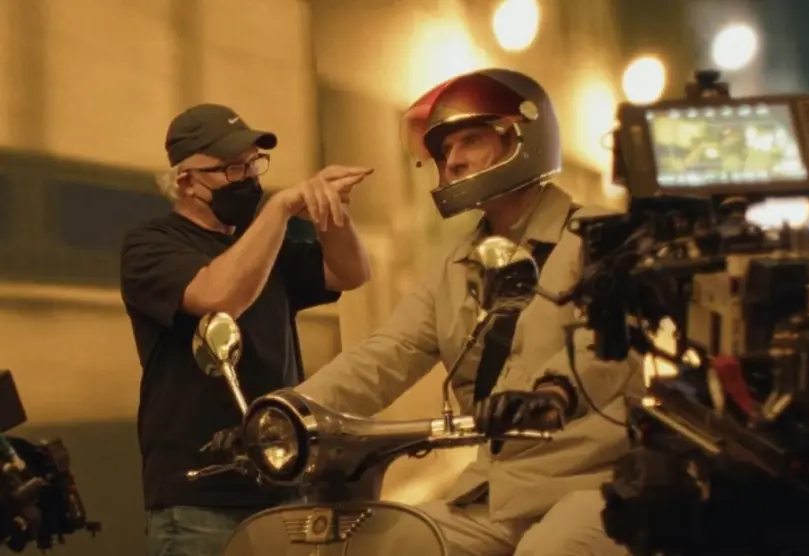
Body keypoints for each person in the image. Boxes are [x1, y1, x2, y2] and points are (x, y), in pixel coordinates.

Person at [296, 69, 640, 556]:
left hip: (591, 486)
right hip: (495, 492)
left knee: (548, 550)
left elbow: (603, 345)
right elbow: (387, 353)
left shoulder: (598, 235)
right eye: (445, 151)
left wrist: (551, 393)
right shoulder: (456, 265)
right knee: (379, 546)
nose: (453, 161)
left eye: (471, 141)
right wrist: (289, 410)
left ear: (523, 137)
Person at [120, 103, 373, 556]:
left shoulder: (263, 243)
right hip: (200, 501)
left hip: (283, 484)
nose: (249, 179)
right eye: (232, 168)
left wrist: (329, 211)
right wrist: (280, 208)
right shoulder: (151, 245)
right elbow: (219, 298)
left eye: (253, 164)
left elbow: (350, 273)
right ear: (186, 181)